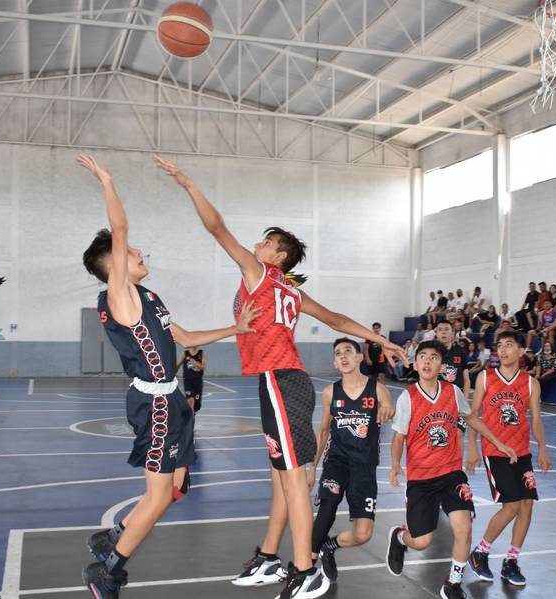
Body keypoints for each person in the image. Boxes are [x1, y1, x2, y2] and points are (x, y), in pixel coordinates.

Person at [154, 156, 404, 598]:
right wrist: (377, 339)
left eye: (266, 242)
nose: (257, 245)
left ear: (278, 256)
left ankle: (306, 568)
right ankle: (270, 556)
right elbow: (336, 318)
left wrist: (188, 183)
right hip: (281, 382)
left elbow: (216, 229)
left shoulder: (261, 274)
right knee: (280, 477)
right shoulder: (291, 289)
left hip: (281, 380)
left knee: (292, 481)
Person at [77, 154, 259, 599]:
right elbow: (120, 231)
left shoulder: (149, 296)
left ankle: (116, 533)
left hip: (172, 400)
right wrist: (106, 181)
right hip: (155, 404)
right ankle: (109, 571)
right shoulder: (120, 295)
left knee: (177, 487)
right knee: (157, 497)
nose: (140, 253)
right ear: (114, 264)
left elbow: (186, 336)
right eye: (132, 253)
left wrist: (235, 329)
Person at [385, 340, 518, 599]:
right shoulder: (408, 397)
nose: (426, 361)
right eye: (422, 356)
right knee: (422, 541)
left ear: (441, 365)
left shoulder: (452, 393)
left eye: (433, 357)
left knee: (464, 526)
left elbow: (471, 419)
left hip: (451, 474)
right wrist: (394, 465)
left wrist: (499, 443)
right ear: (415, 363)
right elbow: (399, 437)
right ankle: (401, 538)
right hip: (422, 479)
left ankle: (453, 583)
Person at [465, 329, 552, 588]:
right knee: (511, 506)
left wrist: (543, 449)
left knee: (527, 505)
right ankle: (480, 553)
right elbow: (473, 415)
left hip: (522, 451)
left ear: (521, 351)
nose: (502, 350)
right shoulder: (485, 377)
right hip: (495, 451)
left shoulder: (530, 383)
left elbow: (535, 418)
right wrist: (471, 447)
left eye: (509, 345)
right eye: (499, 346)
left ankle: (511, 561)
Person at [307, 338, 393, 586]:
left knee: (363, 534)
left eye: (348, 351)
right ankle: (305, 570)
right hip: (337, 461)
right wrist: (312, 468)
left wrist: (388, 409)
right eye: (338, 353)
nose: (343, 356)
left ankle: (329, 546)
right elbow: (323, 431)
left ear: (358, 358)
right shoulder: (330, 392)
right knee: (327, 507)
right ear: (335, 362)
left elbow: (389, 406)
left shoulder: (376, 388)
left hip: (364, 466)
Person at [436, 321, 471, 402]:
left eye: (447, 329)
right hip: (437, 398)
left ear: (452, 333)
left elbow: (466, 379)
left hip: (457, 398)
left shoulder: (460, 352)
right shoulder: (430, 353)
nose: (443, 332)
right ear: (437, 334)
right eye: (440, 330)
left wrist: (464, 400)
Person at [176, 347, 206, 412]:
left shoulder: (202, 353)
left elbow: (203, 367)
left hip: (198, 382)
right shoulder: (185, 354)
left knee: (196, 405)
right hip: (188, 382)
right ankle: (190, 419)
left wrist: (195, 363)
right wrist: (170, 374)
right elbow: (177, 365)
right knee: (190, 401)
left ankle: (192, 414)